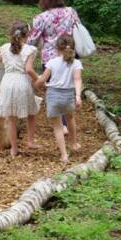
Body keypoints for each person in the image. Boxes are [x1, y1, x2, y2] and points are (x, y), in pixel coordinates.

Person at [0, 21, 41, 158]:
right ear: (28, 34)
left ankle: (14, 149)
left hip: (7, 82)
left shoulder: (4, 48)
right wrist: (38, 80)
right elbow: (29, 70)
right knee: (32, 112)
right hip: (22, 82)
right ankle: (30, 141)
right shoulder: (29, 49)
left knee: (12, 118)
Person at [36, 34, 84, 163]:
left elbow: (43, 80)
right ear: (73, 48)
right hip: (68, 95)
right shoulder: (77, 63)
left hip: (53, 95)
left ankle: (64, 155)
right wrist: (78, 96)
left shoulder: (51, 62)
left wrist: (37, 84)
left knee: (57, 127)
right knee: (70, 118)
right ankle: (73, 143)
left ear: (57, 49)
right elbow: (77, 79)